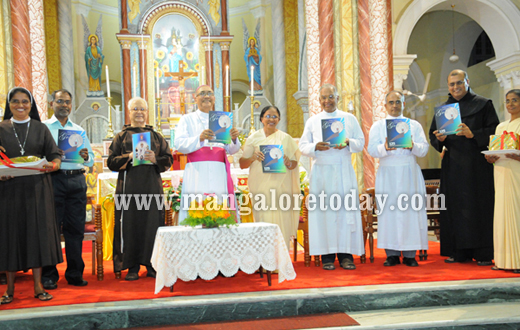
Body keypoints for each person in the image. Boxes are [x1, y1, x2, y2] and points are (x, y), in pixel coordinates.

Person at [429, 69, 499, 265]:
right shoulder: (443, 109)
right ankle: (459, 252)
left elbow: (495, 131)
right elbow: (433, 136)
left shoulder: (483, 104)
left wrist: (473, 134)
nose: (455, 87)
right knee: (455, 208)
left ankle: (483, 253)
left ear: (467, 81)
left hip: (477, 167)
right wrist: (439, 139)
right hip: (453, 166)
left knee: (479, 208)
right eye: (451, 84)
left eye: (459, 83)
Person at [0, 87, 63, 304]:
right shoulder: (0, 128)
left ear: (31, 104)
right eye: (15, 101)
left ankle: (38, 287)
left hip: (37, 189)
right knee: (9, 237)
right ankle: (9, 289)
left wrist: (54, 165)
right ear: (9, 105)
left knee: (36, 236)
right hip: (8, 191)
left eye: (25, 101)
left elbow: (54, 154)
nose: (20, 105)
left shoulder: (40, 128)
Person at [299, 83, 365, 270]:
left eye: (331, 97)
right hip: (322, 172)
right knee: (325, 213)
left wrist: (348, 142)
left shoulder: (349, 119)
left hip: (343, 168)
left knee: (345, 213)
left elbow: (360, 143)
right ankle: (327, 257)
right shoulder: (313, 121)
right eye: (323, 98)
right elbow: (303, 146)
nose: (327, 101)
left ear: (338, 98)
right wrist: (315, 147)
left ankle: (346, 256)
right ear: (319, 100)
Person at [107, 97, 173, 281]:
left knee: (153, 224)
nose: (139, 112)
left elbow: (168, 160)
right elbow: (111, 162)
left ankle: (152, 265)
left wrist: (155, 159)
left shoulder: (156, 136)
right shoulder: (121, 137)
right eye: (135, 108)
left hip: (152, 186)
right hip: (129, 186)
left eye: (142, 109)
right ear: (129, 112)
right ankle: (132, 266)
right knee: (130, 224)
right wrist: (128, 156)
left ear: (147, 112)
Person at [368, 91, 429, 267]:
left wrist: (412, 144)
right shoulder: (378, 126)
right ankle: (391, 254)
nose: (394, 105)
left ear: (403, 104)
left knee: (411, 211)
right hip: (388, 173)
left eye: (398, 102)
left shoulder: (414, 125)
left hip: (409, 172)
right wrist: (385, 147)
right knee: (389, 213)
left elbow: (424, 149)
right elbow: (371, 150)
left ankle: (410, 254)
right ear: (385, 105)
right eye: (391, 102)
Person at [41, 89, 95, 290]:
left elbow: (91, 158)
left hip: (76, 181)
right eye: (60, 101)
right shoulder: (43, 128)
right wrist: (52, 155)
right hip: (52, 180)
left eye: (68, 102)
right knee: (51, 229)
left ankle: (74, 273)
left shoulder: (78, 129)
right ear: (51, 104)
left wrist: (85, 155)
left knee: (75, 230)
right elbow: (37, 156)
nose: (64, 105)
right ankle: (49, 275)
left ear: (71, 106)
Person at [174, 85, 241, 223]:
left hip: (219, 171)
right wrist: (199, 138)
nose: (206, 96)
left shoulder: (223, 119)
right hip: (197, 171)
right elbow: (179, 143)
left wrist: (233, 138)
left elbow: (231, 149)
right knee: (196, 204)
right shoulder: (187, 119)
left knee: (220, 203)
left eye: (209, 93)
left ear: (214, 98)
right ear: (195, 98)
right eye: (202, 93)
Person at [239, 106, 301, 248]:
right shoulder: (253, 138)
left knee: (281, 221)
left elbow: (294, 164)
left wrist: (287, 162)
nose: (271, 119)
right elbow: (242, 164)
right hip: (260, 187)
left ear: (279, 119)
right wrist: (253, 157)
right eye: (268, 116)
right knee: (263, 220)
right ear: (261, 119)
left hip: (281, 187)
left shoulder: (286, 139)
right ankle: (265, 261)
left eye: (274, 117)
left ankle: (280, 261)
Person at [484, 89, 520, 274]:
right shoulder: (500, 127)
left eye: (514, 100)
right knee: (501, 214)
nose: (510, 104)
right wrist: (491, 158)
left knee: (516, 213)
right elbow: (495, 150)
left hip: (516, 173)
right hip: (500, 172)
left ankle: (518, 261)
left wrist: (516, 156)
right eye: (507, 101)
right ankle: (502, 259)